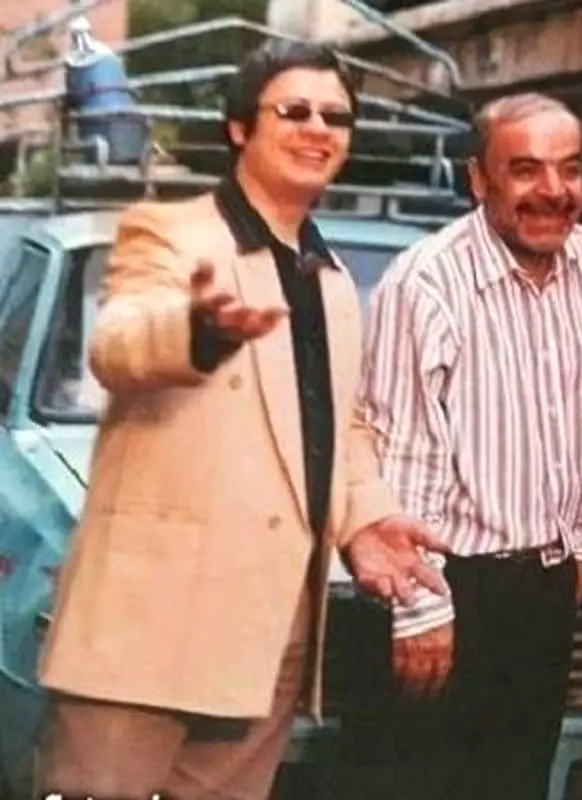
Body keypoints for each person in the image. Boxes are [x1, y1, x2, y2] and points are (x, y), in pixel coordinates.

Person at [35, 40, 447, 800]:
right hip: (149, 631)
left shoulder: (331, 282)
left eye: (336, 117)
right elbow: (118, 342)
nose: (318, 129)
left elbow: (337, 429)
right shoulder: (171, 235)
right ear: (239, 128)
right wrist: (194, 334)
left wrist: (364, 519)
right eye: (294, 110)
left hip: (269, 634)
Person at [352, 92, 582, 800]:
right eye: (526, 170)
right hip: (452, 587)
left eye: (570, 169)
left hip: (546, 589)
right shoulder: (426, 281)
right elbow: (403, 460)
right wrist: (422, 610)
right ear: (479, 179)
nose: (554, 191)